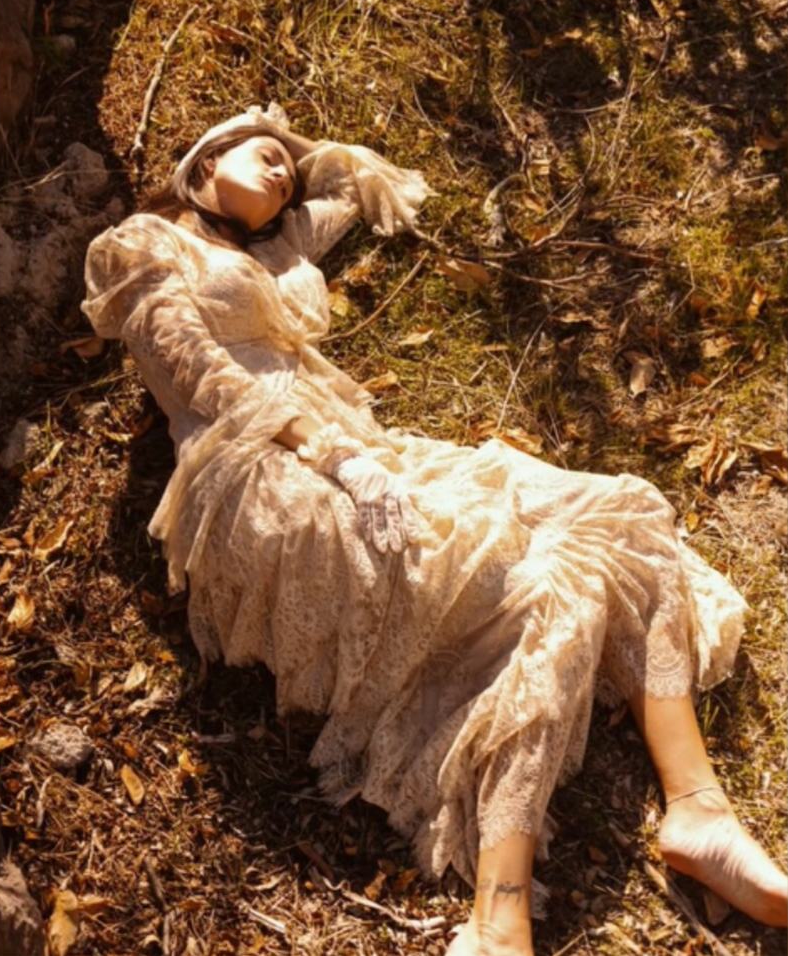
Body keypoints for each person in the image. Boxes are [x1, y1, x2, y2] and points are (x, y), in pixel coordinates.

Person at [83, 104, 787, 954]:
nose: (280, 175)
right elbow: (191, 372)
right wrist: (332, 458)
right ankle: (500, 918)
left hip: (365, 452)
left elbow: (346, 183)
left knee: (621, 514)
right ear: (201, 164)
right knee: (548, 592)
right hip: (270, 477)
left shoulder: (274, 249)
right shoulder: (146, 246)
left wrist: (298, 151)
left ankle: (696, 809)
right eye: (262, 158)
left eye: (284, 173)